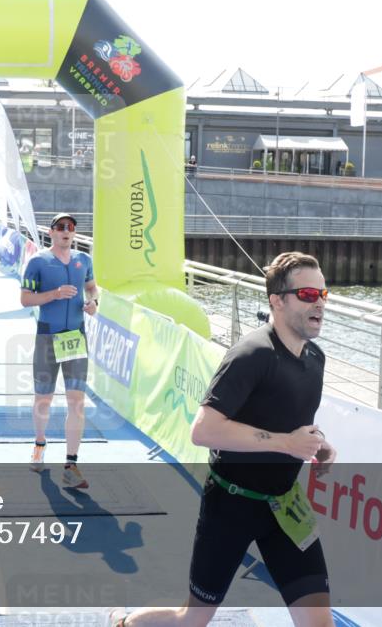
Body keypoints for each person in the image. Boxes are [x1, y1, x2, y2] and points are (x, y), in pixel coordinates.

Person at [112, 252, 337, 627]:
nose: (319, 304)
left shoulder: (315, 358)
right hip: (232, 506)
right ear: (277, 301)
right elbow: (204, 430)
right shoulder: (252, 354)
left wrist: (318, 442)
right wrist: (286, 443)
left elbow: (289, 417)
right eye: (308, 295)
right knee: (192, 619)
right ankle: (127, 623)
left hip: (284, 508)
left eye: (323, 294)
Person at [20, 213, 98, 489]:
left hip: (75, 337)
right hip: (47, 338)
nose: (67, 231)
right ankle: (40, 444)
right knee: (44, 399)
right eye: (61, 227)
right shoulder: (38, 262)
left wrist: (93, 302)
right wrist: (54, 294)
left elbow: (91, 287)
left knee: (76, 401)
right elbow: (25, 299)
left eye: (71, 227)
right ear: (51, 232)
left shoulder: (83, 260)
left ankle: (70, 464)